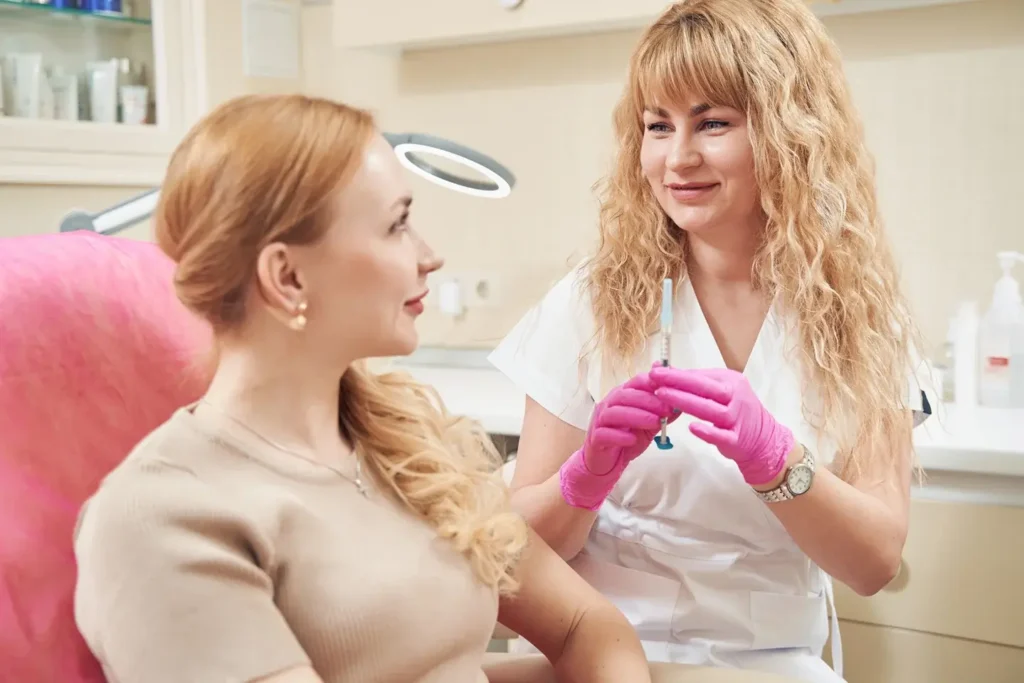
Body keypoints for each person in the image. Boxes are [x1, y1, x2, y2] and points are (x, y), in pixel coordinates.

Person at [71, 93, 656, 683]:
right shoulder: (165, 518)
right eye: (398, 225)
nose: (430, 256)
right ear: (287, 276)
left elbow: (587, 626)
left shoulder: (404, 443)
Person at [488, 1, 934, 681]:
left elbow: (873, 562)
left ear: (790, 133)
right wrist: (588, 475)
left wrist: (781, 463)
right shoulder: (590, 301)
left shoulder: (863, 317)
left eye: (714, 123)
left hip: (767, 659)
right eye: (657, 127)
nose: (678, 158)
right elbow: (512, 553)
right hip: (598, 647)